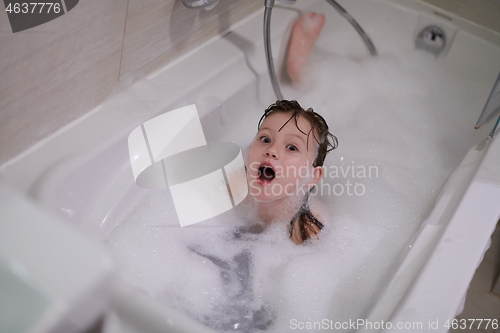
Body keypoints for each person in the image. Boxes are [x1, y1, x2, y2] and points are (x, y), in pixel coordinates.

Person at [246, 100, 338, 244]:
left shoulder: (307, 229)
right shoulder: (235, 189)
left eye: (292, 147)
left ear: (312, 176)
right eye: (265, 139)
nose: (271, 150)